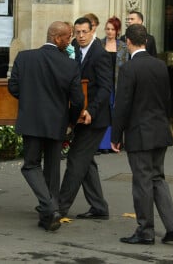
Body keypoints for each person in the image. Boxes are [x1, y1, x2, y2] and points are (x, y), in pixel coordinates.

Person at [8, 21, 84, 231]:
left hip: (31, 120)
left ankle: (49, 210)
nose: (70, 41)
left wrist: (30, 101)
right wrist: (70, 120)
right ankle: (51, 209)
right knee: (51, 167)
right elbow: (78, 100)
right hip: (56, 121)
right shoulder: (69, 65)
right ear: (57, 38)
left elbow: (13, 87)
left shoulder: (25, 57)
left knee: (31, 165)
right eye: (68, 37)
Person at [110, 23, 173, 245]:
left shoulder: (129, 69)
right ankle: (172, 227)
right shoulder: (160, 66)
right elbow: (167, 99)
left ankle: (145, 230)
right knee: (158, 178)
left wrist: (115, 136)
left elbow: (122, 105)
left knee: (142, 182)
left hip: (139, 133)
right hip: (160, 130)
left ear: (128, 42)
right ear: (146, 41)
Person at [59, 17, 113, 220]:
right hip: (80, 116)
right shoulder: (73, 48)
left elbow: (105, 88)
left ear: (93, 31)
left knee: (75, 159)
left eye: (84, 32)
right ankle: (99, 207)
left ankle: (59, 207)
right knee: (86, 162)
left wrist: (91, 110)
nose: (80, 36)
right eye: (78, 32)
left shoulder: (100, 54)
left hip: (95, 118)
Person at [99, 16, 129, 152]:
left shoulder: (123, 46)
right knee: (103, 113)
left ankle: (114, 142)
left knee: (115, 113)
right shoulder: (99, 44)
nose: (110, 32)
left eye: (113, 29)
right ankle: (102, 145)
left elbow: (126, 67)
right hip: (103, 84)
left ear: (118, 31)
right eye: (107, 29)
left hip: (117, 84)